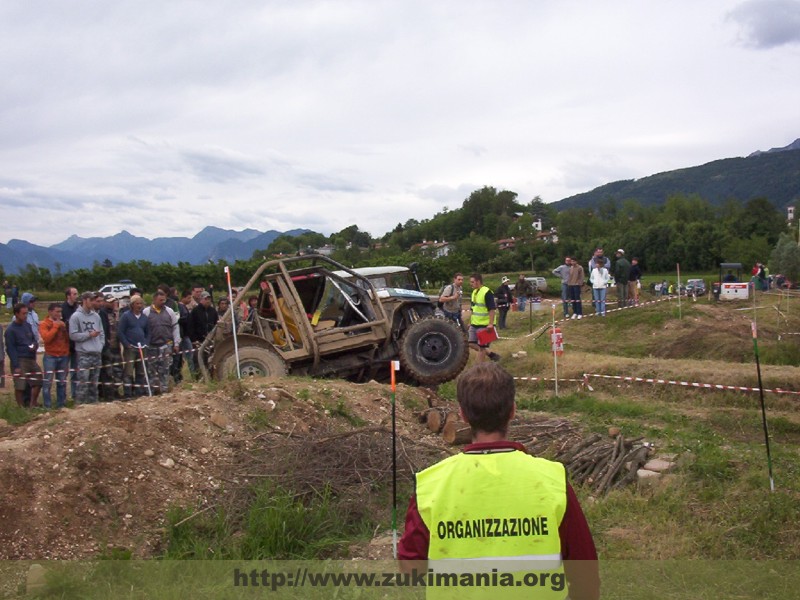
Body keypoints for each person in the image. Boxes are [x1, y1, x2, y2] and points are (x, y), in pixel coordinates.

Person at [398, 363, 600, 599]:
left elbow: (411, 569)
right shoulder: (551, 479)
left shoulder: (431, 484)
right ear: (512, 410)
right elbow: (585, 574)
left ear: (462, 415)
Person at [69, 291, 105, 405]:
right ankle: (80, 405)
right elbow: (73, 335)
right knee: (83, 382)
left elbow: (102, 333)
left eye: (94, 300)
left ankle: (93, 405)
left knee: (94, 383)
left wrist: (100, 345)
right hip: (84, 354)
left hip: (96, 353)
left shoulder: (96, 316)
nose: (93, 302)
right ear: (85, 300)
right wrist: (89, 335)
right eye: (91, 300)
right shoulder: (75, 316)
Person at [142, 290, 181, 395]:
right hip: (151, 345)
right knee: (150, 370)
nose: (162, 302)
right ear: (154, 300)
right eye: (160, 300)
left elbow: (175, 327)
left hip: (166, 344)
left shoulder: (170, 311)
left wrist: (176, 343)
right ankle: (149, 392)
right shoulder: (146, 312)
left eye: (164, 300)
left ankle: (164, 391)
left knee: (165, 369)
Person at [6, 303, 43, 407]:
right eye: (23, 313)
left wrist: (35, 345)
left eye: (26, 313)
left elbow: (33, 339)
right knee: (20, 386)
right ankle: (21, 407)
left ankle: (32, 404)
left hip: (30, 358)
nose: (26, 315)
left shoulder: (27, 325)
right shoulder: (10, 330)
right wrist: (16, 365)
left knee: (38, 380)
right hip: (20, 359)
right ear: (17, 314)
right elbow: (10, 349)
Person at [39, 303, 70, 409]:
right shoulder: (44, 323)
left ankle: (61, 404)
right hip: (50, 355)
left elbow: (67, 339)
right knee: (47, 382)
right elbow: (46, 338)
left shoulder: (62, 323)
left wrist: (64, 329)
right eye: (57, 311)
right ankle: (47, 405)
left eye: (60, 311)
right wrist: (56, 326)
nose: (59, 314)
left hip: (63, 354)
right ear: (50, 311)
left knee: (62, 382)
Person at [117, 295, 149, 398]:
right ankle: (128, 394)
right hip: (130, 348)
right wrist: (126, 344)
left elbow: (148, 332)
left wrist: (146, 343)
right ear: (132, 305)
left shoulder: (144, 317)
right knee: (128, 372)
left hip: (142, 347)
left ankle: (139, 393)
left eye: (141, 303)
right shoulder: (126, 316)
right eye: (137, 303)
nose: (139, 306)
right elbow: (120, 332)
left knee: (140, 371)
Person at [468, 273, 499, 363]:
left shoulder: (487, 292)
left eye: (472, 282)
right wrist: (470, 321)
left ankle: (478, 368)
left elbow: (492, 309)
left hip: (485, 325)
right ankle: (491, 354)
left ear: (478, 281)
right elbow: (473, 309)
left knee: (482, 347)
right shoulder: (474, 292)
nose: (471, 284)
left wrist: (490, 324)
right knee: (470, 343)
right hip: (475, 324)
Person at [61, 286, 80, 400]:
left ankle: (74, 395)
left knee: (75, 371)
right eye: (74, 294)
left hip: (76, 344)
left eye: (77, 294)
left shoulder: (78, 308)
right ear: (68, 296)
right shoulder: (62, 308)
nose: (76, 296)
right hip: (65, 344)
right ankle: (62, 398)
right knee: (63, 372)